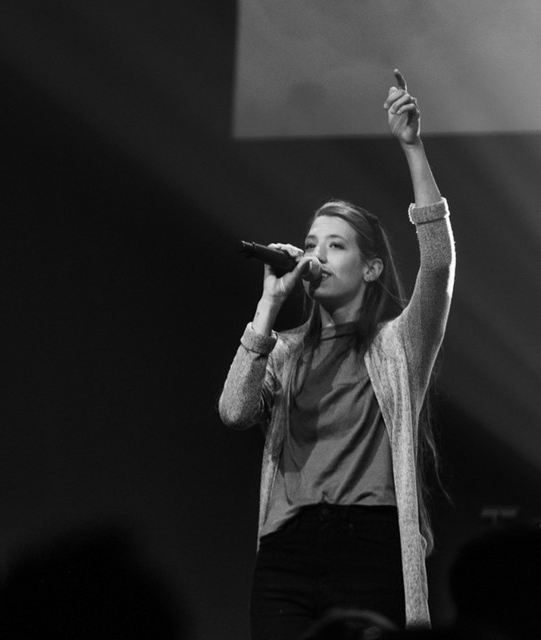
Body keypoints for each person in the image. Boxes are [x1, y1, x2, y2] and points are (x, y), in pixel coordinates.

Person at [219, 69, 455, 640]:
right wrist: (268, 307)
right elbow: (234, 411)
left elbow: (438, 262)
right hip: (288, 553)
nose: (316, 256)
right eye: (310, 244)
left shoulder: (398, 344)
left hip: (369, 548)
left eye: (335, 245)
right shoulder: (284, 351)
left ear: (370, 268)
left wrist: (412, 147)